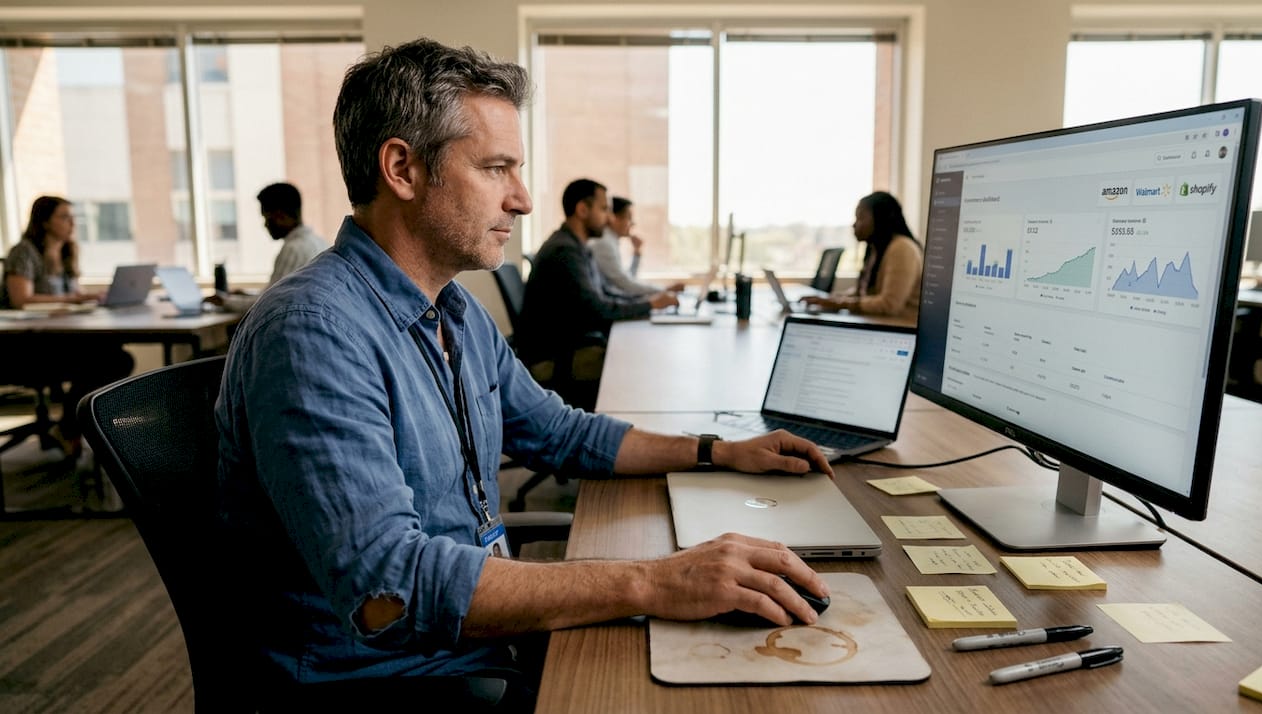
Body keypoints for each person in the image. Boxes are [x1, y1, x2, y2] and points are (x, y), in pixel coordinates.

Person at [215, 38, 833, 710]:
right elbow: (389, 591)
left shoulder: (454, 312)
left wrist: (719, 452)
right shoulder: (313, 332)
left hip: (481, 644)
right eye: (496, 168)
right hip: (394, 685)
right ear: (402, 169)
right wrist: (656, 581)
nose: (523, 199)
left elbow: (560, 432)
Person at [519, 180, 678, 403]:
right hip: (557, 358)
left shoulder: (578, 247)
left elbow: (606, 294)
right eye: (604, 209)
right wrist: (650, 304)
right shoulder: (565, 252)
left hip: (571, 346)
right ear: (582, 210)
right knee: (639, 360)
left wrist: (649, 301)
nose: (610, 218)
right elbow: (597, 310)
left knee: (639, 351)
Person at [1, 195, 134, 456]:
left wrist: (89, 298)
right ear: (45, 222)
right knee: (110, 360)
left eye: (73, 217)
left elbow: (71, 295)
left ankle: (70, 427)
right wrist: (73, 299)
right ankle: (71, 428)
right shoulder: (24, 252)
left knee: (116, 357)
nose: (72, 223)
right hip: (26, 347)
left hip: (60, 339)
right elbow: (21, 299)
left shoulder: (66, 252)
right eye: (64, 217)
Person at [208, 182, 329, 311]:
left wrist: (225, 301)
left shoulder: (293, 249)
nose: (265, 225)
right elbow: (276, 294)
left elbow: (269, 304)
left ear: (280, 216)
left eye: (267, 218)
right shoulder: (319, 242)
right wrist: (247, 295)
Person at [800, 191, 923, 318]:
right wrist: (832, 299)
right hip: (882, 322)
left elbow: (889, 304)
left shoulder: (902, 248)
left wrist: (840, 304)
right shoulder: (876, 248)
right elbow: (864, 293)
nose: (854, 224)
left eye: (860, 218)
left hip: (900, 324)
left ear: (880, 218)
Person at [589, 196, 683, 298]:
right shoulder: (604, 244)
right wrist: (665, 290)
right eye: (629, 217)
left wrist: (636, 251)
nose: (633, 223)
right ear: (614, 218)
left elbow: (628, 279)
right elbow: (626, 285)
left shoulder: (611, 242)